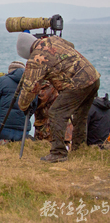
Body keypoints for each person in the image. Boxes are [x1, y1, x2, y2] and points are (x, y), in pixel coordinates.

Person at [17, 32, 100, 163]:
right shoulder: (53, 39)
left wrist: (22, 105)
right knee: (80, 115)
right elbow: (71, 45)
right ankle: (79, 148)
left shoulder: (36, 58)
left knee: (56, 112)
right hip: (92, 76)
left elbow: (29, 88)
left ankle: (58, 152)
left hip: (76, 84)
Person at [0, 61, 32, 142]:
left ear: (10, 71)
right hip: (23, 132)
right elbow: (32, 109)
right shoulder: (31, 84)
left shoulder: (3, 80)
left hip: (1, 129)